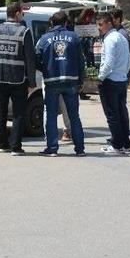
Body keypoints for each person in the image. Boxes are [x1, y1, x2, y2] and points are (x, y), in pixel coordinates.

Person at [0, 2, 37, 156]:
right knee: (18, 113)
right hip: (18, 79)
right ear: (17, 13)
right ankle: (15, 147)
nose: (23, 16)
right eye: (22, 13)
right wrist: (32, 81)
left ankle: (2, 144)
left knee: (1, 111)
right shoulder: (24, 32)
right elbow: (30, 59)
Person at [35, 10, 86, 157]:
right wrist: (81, 80)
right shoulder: (74, 38)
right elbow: (81, 61)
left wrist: (45, 69)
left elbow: (36, 58)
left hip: (51, 81)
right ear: (65, 23)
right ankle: (80, 149)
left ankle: (52, 148)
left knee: (51, 115)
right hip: (71, 81)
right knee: (74, 116)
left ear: (52, 23)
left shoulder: (44, 39)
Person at [96, 12, 130, 155]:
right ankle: (126, 144)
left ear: (109, 23)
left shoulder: (110, 39)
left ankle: (117, 145)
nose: (99, 28)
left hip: (110, 81)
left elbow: (109, 62)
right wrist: (123, 73)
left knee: (112, 115)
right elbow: (128, 61)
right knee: (122, 113)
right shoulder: (121, 37)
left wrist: (100, 77)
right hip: (121, 80)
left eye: (101, 24)